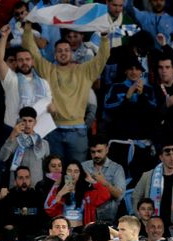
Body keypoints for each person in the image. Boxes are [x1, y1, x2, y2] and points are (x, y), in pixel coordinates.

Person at [22, 22, 109, 163]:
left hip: (78, 131)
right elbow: (32, 51)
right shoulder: (48, 69)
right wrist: (27, 27)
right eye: (59, 51)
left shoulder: (84, 71)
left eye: (66, 50)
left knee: (76, 172)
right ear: (55, 55)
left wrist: (104, 37)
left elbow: (102, 58)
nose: (63, 53)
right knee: (54, 174)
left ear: (71, 53)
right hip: (53, 129)